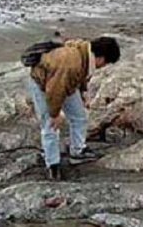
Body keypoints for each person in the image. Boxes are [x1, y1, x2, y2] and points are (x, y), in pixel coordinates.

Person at [28, 36, 120, 180]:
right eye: (106, 63)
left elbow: (82, 74)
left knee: (79, 116)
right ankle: (52, 164)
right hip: (43, 84)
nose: (104, 66)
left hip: (65, 84)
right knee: (50, 126)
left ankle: (77, 151)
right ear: (101, 58)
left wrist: (82, 92)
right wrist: (55, 114)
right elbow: (55, 90)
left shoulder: (84, 53)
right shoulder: (70, 62)